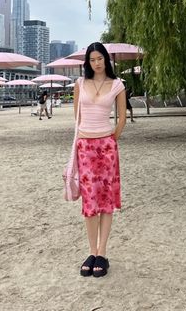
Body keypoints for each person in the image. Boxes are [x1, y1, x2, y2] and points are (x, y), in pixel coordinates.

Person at [73, 41, 126, 278]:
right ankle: (91, 251)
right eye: (92, 60)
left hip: (107, 146)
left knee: (105, 200)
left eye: (100, 59)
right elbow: (77, 118)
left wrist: (108, 139)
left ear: (106, 59)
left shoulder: (117, 85)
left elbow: (121, 119)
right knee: (89, 201)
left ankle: (102, 253)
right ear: (88, 62)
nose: (96, 63)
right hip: (84, 146)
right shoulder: (80, 84)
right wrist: (86, 140)